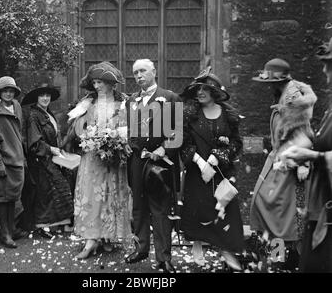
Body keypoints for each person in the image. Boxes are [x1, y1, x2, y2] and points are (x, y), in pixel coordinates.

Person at [250, 59, 316, 265]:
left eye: (270, 82)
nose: (268, 87)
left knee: (283, 212)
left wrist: (303, 163)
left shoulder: (293, 100)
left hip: (290, 162)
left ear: (278, 81)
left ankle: (286, 258)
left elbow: (305, 133)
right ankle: (270, 256)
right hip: (277, 159)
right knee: (262, 204)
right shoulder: (283, 97)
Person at [179, 67, 244, 269]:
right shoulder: (189, 114)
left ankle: (226, 251)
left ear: (214, 92)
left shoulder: (229, 115)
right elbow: (183, 143)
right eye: (197, 89)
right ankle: (197, 243)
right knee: (198, 211)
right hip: (197, 174)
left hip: (222, 173)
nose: (200, 93)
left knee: (227, 211)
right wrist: (199, 161)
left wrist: (218, 157)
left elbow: (236, 142)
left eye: (204, 89)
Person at [66, 61, 132, 259]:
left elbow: (132, 128)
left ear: (111, 84)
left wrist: (116, 139)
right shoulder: (87, 103)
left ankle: (108, 236)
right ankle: (91, 240)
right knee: (93, 195)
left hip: (114, 157)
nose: (96, 87)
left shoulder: (124, 103)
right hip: (93, 158)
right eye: (94, 83)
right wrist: (90, 137)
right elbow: (77, 129)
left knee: (112, 194)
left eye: (100, 83)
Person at [125, 59, 182, 273]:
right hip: (137, 162)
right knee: (138, 206)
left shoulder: (169, 98)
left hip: (160, 162)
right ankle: (140, 249)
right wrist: (128, 145)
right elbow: (130, 129)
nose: (138, 75)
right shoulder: (132, 100)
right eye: (135, 72)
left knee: (160, 208)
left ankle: (163, 257)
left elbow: (178, 131)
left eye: (142, 71)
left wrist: (165, 149)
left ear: (154, 72)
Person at [281, 38, 332, 272]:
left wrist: (307, 157)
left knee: (289, 227)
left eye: (329, 64)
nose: (324, 70)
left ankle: (282, 260)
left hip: (306, 187)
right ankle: (278, 260)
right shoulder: (279, 113)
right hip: (285, 177)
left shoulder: (301, 117)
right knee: (273, 224)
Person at [22, 83, 74, 238]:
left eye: (47, 95)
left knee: (56, 190)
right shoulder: (33, 115)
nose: (45, 98)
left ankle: (53, 224)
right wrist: (51, 149)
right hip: (40, 159)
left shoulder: (47, 113)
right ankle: (41, 226)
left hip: (51, 158)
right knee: (45, 192)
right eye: (42, 95)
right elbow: (34, 142)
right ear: (36, 98)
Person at [0, 76, 25, 248]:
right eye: (5, 91)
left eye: (11, 91)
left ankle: (12, 227)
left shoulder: (16, 106)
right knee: (2, 197)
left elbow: (20, 133)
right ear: (0, 94)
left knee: (13, 196)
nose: (8, 94)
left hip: (17, 158)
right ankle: (5, 233)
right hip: (3, 160)